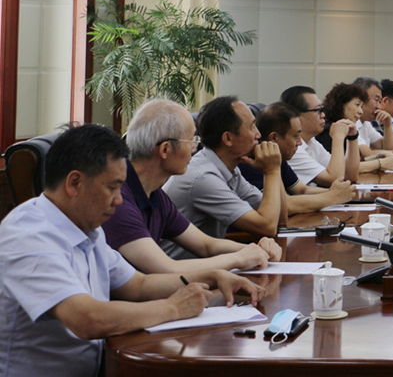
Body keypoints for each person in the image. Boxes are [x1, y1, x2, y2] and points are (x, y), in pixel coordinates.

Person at [0, 124, 263, 377]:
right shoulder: (29, 235)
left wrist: (213, 277)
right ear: (75, 183)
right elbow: (86, 318)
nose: (119, 200)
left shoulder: (87, 228)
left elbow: (138, 285)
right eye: (112, 187)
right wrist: (172, 308)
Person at [101, 99, 283, 274]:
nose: (195, 149)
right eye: (191, 142)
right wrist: (239, 258)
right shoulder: (119, 200)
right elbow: (166, 268)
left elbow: (206, 245)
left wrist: (256, 250)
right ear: (165, 149)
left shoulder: (155, 193)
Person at [164, 96, 286, 259]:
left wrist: (274, 170)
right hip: (177, 271)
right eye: (252, 127)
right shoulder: (203, 178)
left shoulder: (229, 170)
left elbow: (280, 219)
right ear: (228, 138)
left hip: (208, 265)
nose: (258, 134)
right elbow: (267, 227)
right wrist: (271, 171)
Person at [239, 102, 355, 211]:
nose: (299, 143)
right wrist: (332, 197)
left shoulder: (277, 155)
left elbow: (302, 190)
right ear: (274, 138)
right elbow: (282, 206)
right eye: (295, 136)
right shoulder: (250, 162)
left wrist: (337, 192)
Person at [280, 85, 360, 186]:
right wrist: (338, 138)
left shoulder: (312, 142)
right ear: (297, 116)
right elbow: (335, 180)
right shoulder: (293, 149)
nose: (323, 115)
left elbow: (350, 176)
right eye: (318, 110)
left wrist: (352, 137)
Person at [323, 82, 393, 173]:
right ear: (341, 104)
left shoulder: (348, 127)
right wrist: (380, 163)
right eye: (357, 105)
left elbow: (355, 162)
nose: (360, 111)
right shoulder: (328, 130)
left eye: (361, 106)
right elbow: (345, 168)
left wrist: (379, 156)